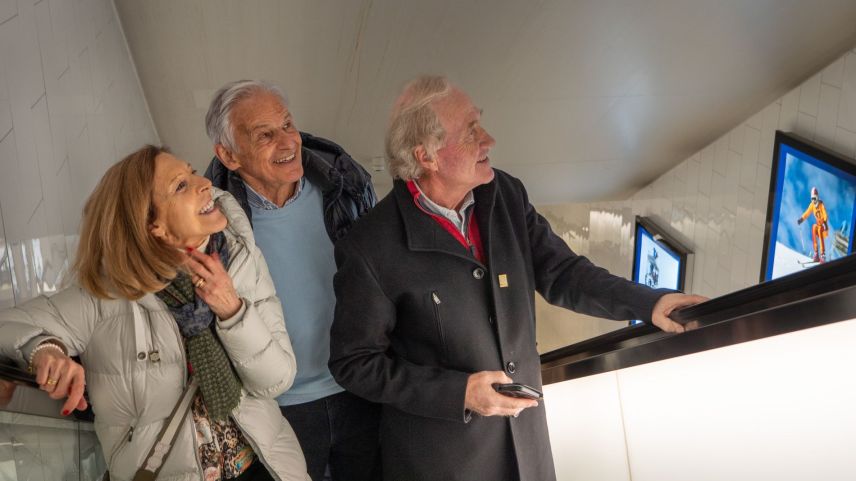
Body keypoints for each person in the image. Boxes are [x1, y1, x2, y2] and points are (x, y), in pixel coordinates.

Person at [328, 75, 707, 481]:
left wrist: (649, 303)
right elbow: (354, 364)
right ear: (427, 157)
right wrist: (458, 393)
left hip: (527, 449)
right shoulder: (371, 247)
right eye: (471, 131)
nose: (488, 140)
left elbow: (563, 273)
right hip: (445, 463)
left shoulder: (504, 194)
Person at [0, 146, 309, 481]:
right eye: (180, 186)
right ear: (153, 226)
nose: (204, 182)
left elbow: (276, 380)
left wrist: (232, 310)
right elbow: (10, 325)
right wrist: (47, 349)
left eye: (192, 172)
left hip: (263, 466)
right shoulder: (105, 296)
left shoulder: (240, 261)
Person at [204, 80, 380, 481]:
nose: (287, 142)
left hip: (360, 387)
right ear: (229, 155)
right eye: (265, 135)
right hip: (278, 411)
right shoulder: (212, 224)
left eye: (287, 125)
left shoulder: (346, 188)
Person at [797, 186, 829, 262]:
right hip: (818, 225)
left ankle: (823, 254)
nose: (813, 200)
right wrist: (801, 219)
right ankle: (816, 254)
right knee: (814, 227)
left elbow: (825, 214)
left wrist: (825, 222)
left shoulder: (821, 204)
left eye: (814, 198)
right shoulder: (812, 205)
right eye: (812, 199)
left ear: (817, 197)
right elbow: (807, 212)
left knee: (820, 229)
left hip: (824, 227)